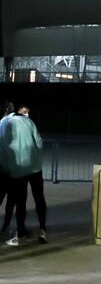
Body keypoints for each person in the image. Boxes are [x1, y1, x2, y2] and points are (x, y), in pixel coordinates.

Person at [2, 104, 48, 246]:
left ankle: (20, 234)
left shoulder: (4, 124)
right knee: (39, 198)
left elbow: (2, 151)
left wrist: (6, 168)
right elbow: (39, 143)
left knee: (20, 202)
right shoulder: (29, 122)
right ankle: (43, 230)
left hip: (17, 170)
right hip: (35, 167)